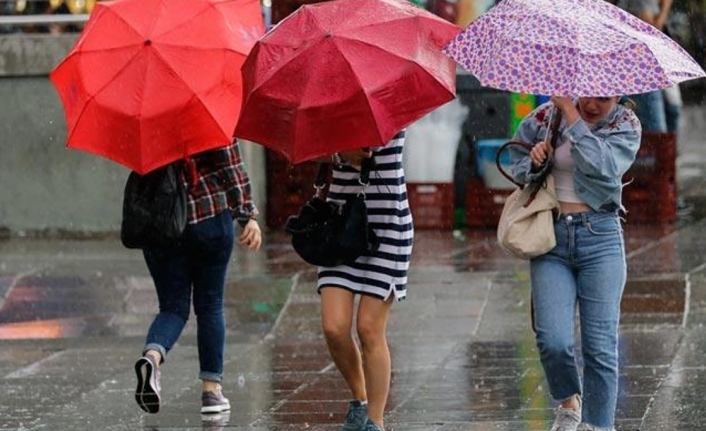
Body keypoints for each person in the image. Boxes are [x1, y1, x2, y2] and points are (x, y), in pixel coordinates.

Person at [508, 96, 641, 431]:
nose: (595, 105)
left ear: (618, 93)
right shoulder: (545, 117)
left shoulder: (624, 124)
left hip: (601, 238)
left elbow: (605, 167)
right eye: (589, 97)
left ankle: (597, 426)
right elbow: (518, 163)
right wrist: (536, 161)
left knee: (599, 347)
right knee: (552, 340)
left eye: (605, 98)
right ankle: (568, 401)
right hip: (551, 238)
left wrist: (572, 115)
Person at [133, 137, 262, 415]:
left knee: (172, 307)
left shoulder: (145, 118)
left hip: (162, 225)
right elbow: (231, 167)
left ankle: (152, 358)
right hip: (209, 217)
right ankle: (211, 393)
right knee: (210, 306)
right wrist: (247, 214)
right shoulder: (208, 111)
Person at [318, 131, 412, 431]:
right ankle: (359, 399)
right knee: (334, 327)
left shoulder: (390, 94)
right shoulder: (326, 104)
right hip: (340, 225)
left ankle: (375, 420)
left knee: (369, 328)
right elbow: (305, 153)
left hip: (387, 228)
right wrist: (339, 153)